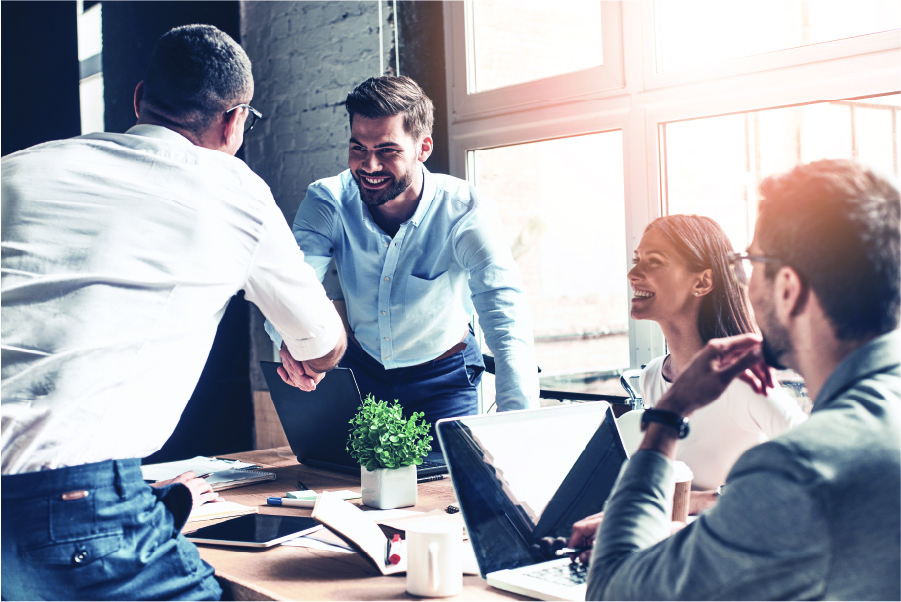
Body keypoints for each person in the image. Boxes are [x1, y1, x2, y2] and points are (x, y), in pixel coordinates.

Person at [1, 25, 346, 601]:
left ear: (139, 101)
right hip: (73, 508)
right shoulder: (233, 189)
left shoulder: (17, 171)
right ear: (235, 121)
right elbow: (323, 345)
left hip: (80, 497)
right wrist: (303, 353)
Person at [571, 159, 900, 600]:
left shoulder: (800, 470)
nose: (741, 280)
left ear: (787, 287)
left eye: (751, 261)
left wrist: (667, 417)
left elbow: (613, 591)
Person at [268, 75, 539, 431]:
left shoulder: (465, 212)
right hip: (360, 372)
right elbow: (291, 286)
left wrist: (518, 426)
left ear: (423, 148)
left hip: (444, 379)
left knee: (448, 483)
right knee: (345, 481)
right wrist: (291, 345)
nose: (369, 166)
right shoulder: (328, 200)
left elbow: (505, 317)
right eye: (358, 148)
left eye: (387, 150)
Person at [627, 215, 807, 495]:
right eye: (636, 260)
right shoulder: (652, 376)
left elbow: (817, 464)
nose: (633, 274)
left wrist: (705, 501)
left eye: (654, 262)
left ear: (702, 282)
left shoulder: (741, 382)